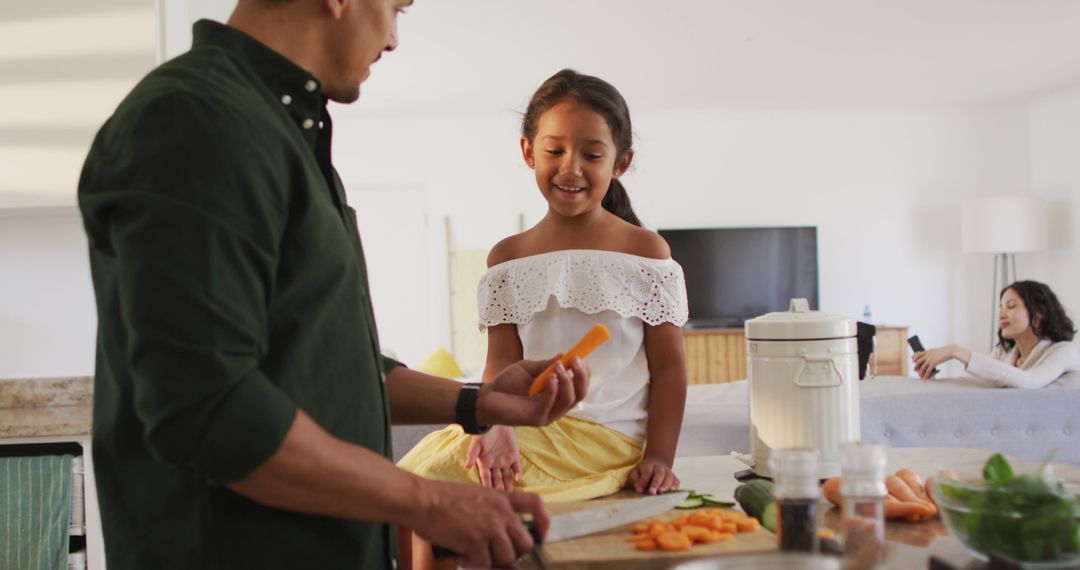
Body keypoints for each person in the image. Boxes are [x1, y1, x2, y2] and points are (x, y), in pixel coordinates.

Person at [76, 2, 591, 569]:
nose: (394, 38)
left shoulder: (275, 127)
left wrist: (478, 401)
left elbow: (321, 365)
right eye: (396, 7)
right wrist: (427, 499)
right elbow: (209, 407)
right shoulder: (196, 120)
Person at [398, 68, 689, 565]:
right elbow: (499, 368)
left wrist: (659, 458)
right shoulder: (506, 258)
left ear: (621, 162)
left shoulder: (646, 251)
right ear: (528, 152)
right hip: (526, 425)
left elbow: (669, 368)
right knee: (405, 482)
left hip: (603, 438)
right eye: (554, 151)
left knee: (433, 485)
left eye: (592, 154)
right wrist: (496, 429)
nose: (570, 168)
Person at [913, 280, 1079, 388]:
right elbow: (980, 385)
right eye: (1001, 307)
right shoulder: (1004, 353)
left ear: (1039, 312)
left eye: (1011, 306)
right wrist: (934, 384)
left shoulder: (1064, 351)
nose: (1001, 314)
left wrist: (955, 351)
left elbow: (1030, 382)